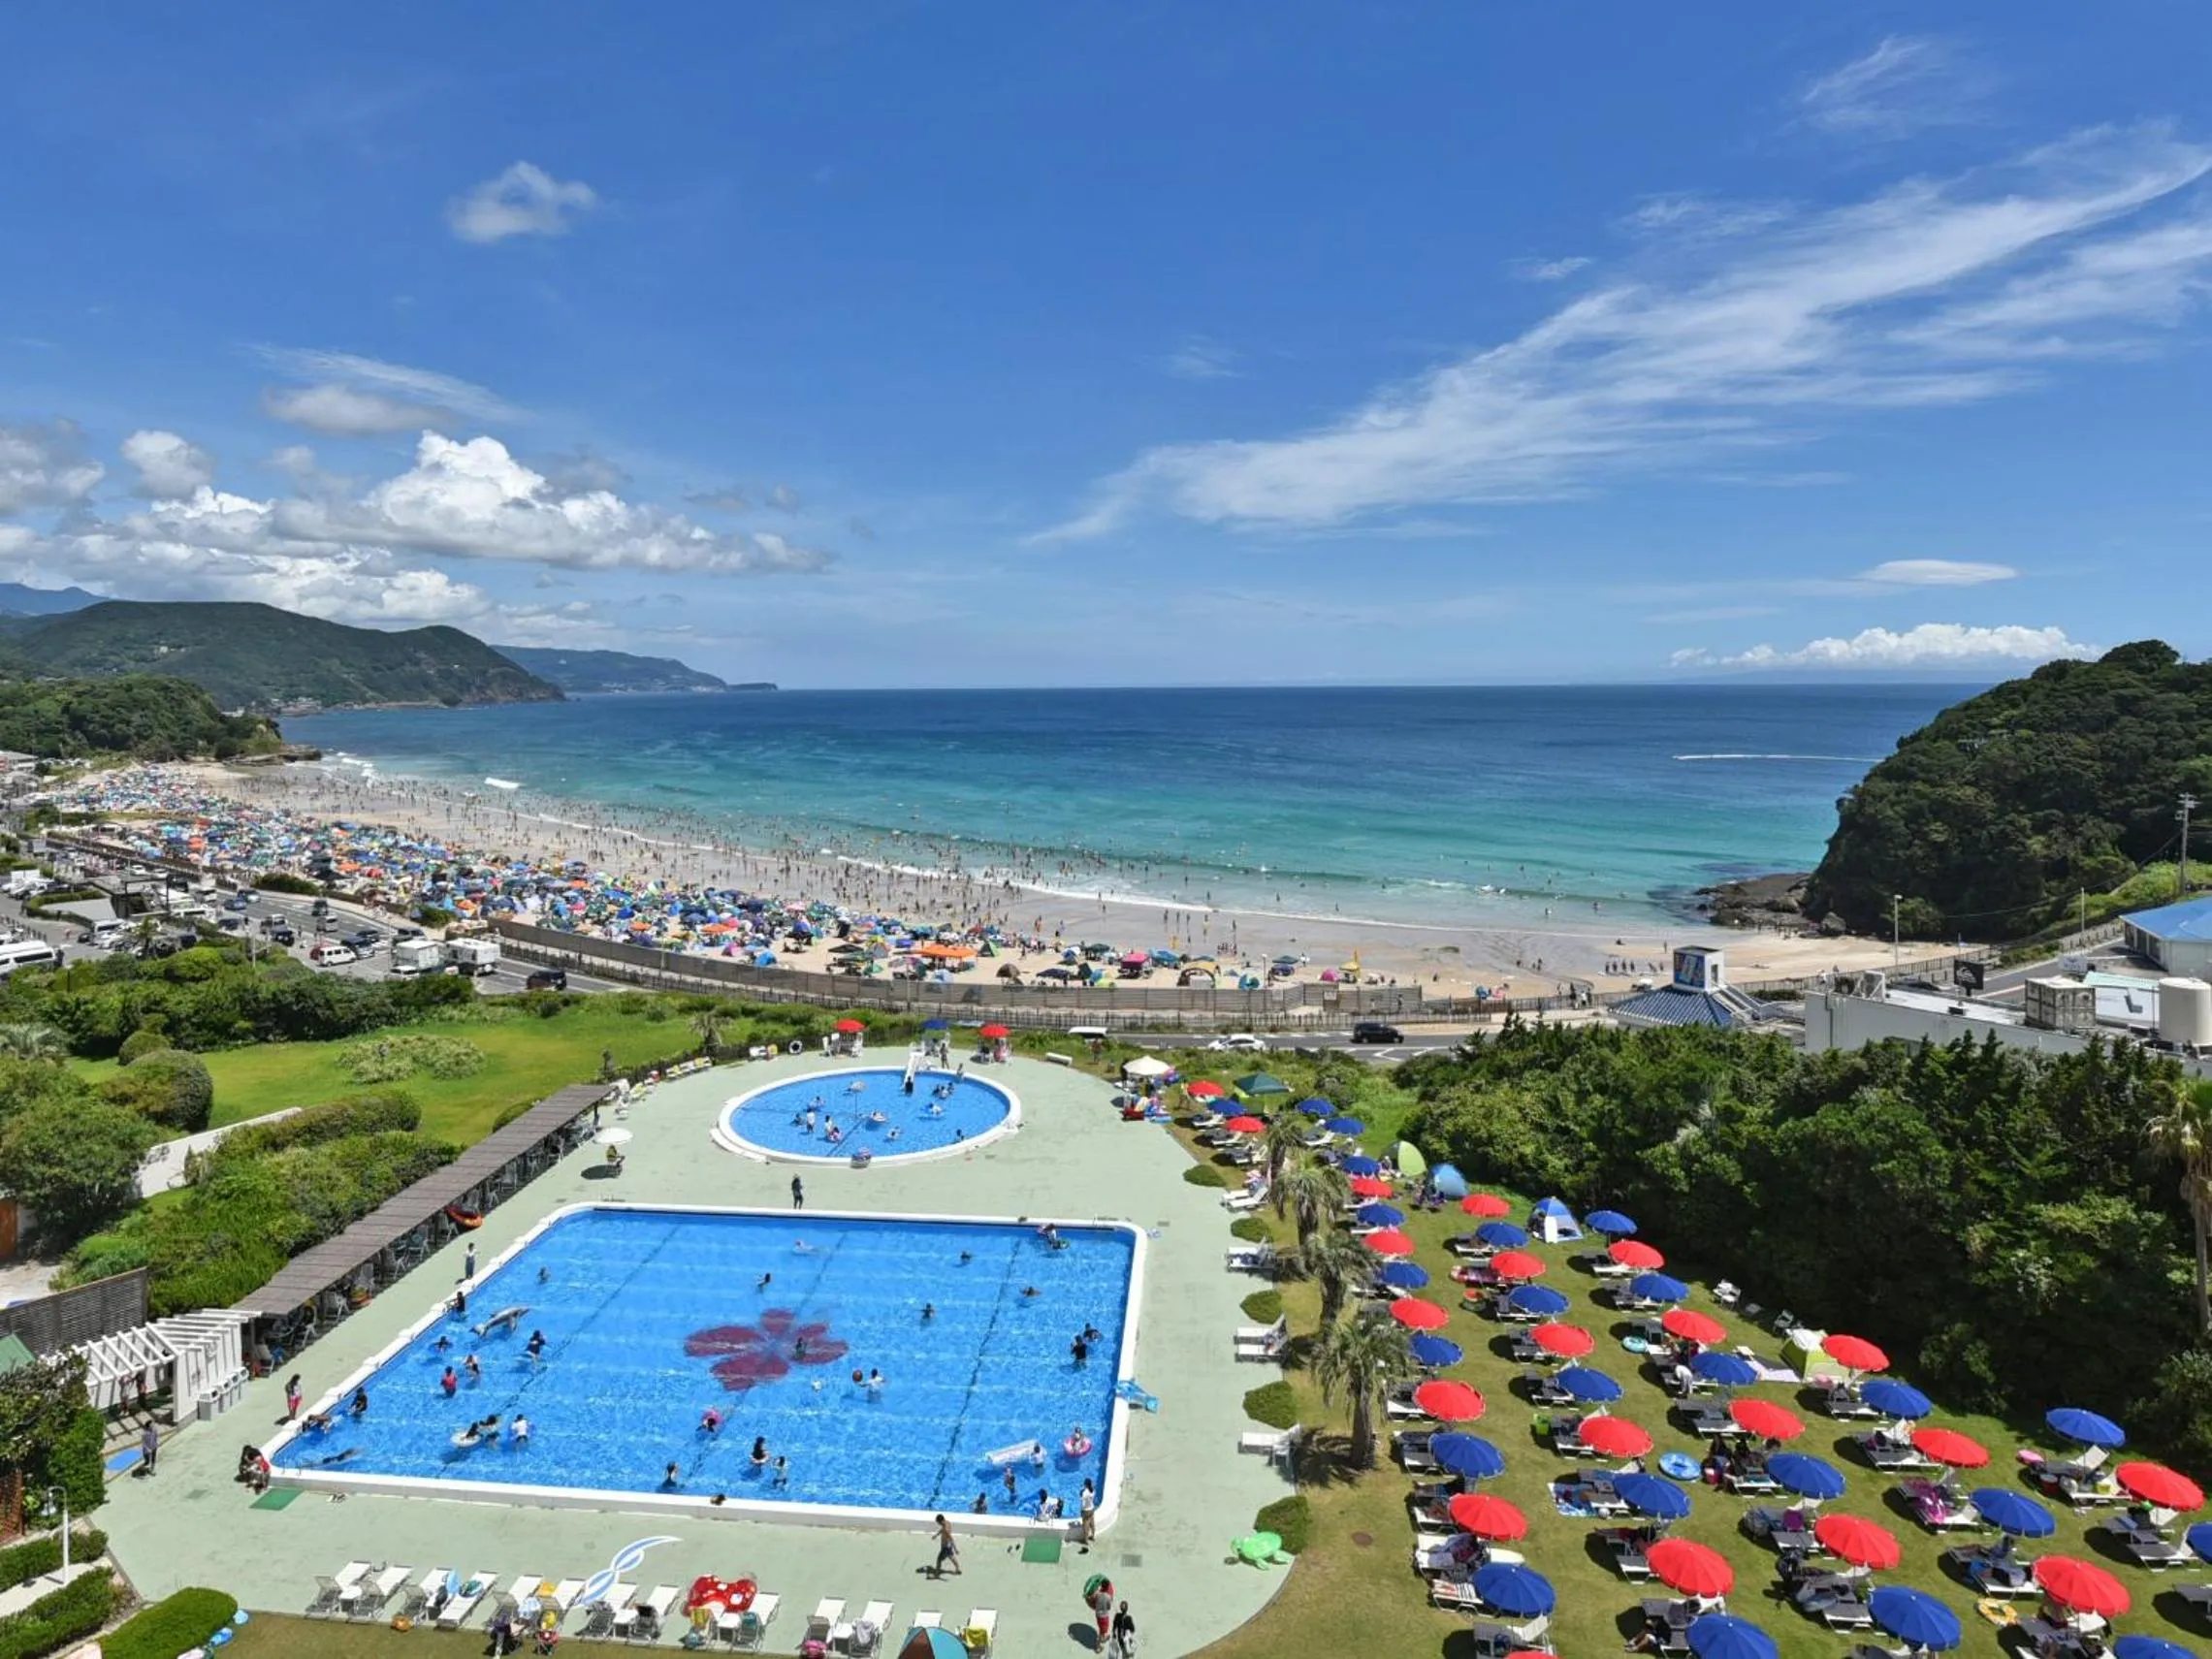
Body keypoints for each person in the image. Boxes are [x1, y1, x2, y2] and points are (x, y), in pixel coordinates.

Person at [933, 1513, 961, 1578]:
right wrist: (936, 1535)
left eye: (938, 1523)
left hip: (945, 1547)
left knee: (939, 1559)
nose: (938, 1524)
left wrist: (956, 1549)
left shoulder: (945, 1529)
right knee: (951, 1557)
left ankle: (937, 1574)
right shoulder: (947, 1522)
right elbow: (942, 1530)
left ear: (941, 1521)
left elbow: (951, 1538)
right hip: (949, 1545)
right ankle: (958, 1569)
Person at [1091, 1579, 1114, 1646]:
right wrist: (1110, 1600)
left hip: (1098, 1615)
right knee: (1102, 1631)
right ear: (1107, 1588)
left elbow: (1092, 1599)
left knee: (1101, 1629)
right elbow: (1109, 1608)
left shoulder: (1097, 1593)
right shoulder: (1108, 1597)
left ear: (1101, 1586)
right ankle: (1098, 1646)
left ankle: (1104, 1637)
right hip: (1104, 1616)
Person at [1079, 1478, 1098, 1547]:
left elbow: (1083, 1504)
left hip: (1086, 1510)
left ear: (1085, 1485)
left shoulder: (1085, 1493)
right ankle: (1093, 1536)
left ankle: (1086, 1541)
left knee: (1086, 1526)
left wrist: (1081, 1511)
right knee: (1092, 1523)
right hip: (1092, 1508)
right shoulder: (1093, 1490)